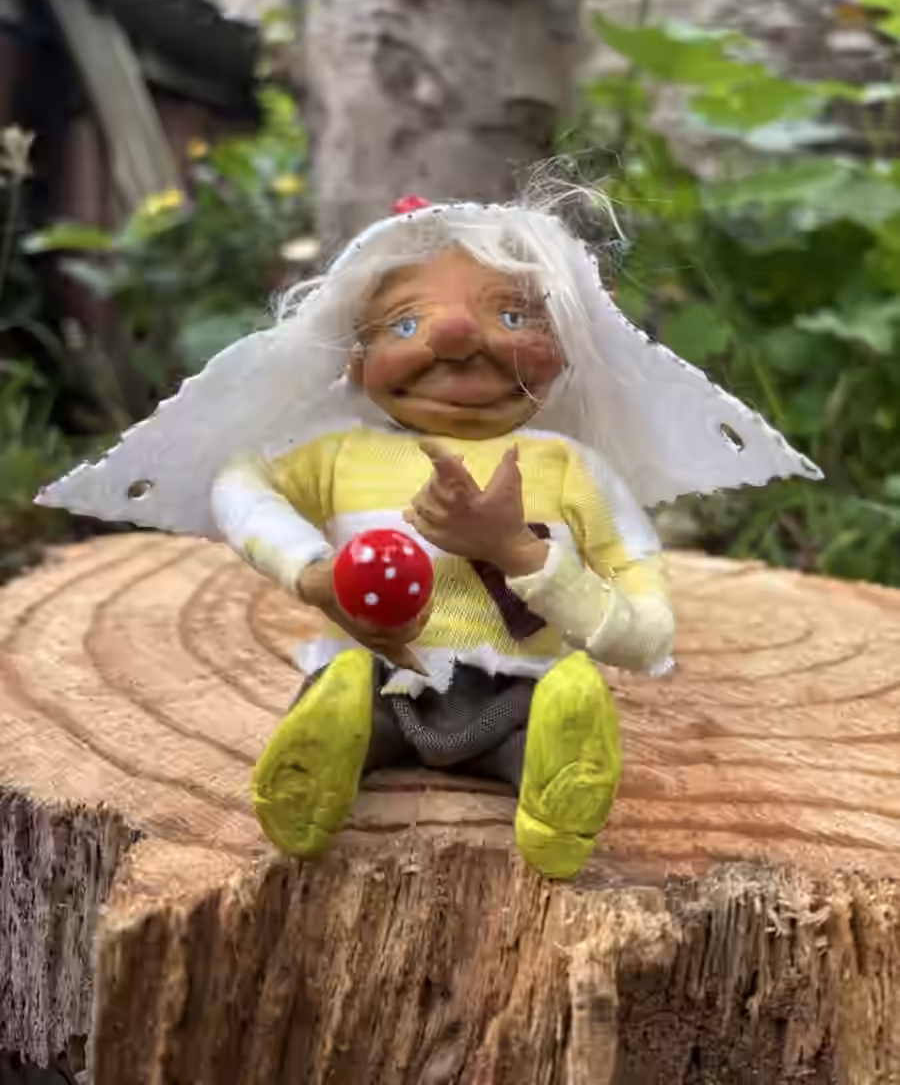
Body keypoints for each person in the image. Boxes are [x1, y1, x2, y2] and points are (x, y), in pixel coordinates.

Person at [36, 189, 821, 879]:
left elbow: (647, 634)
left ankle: (559, 790)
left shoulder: (570, 466)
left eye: (512, 316)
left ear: (561, 351)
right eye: (406, 322)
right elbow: (237, 483)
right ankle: (322, 761)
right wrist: (311, 571)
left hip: (517, 692)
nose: (455, 338)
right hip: (382, 677)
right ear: (356, 359)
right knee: (344, 691)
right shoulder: (342, 454)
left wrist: (517, 552)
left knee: (554, 712)